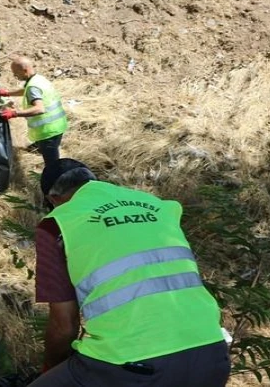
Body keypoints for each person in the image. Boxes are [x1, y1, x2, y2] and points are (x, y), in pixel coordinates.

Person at [29, 158, 231, 387]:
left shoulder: (57, 223)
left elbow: (64, 326)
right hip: (212, 355)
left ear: (53, 199)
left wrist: (48, 370)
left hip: (133, 367)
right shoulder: (157, 205)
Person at [0, 56, 67, 168]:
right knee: (44, 148)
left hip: (48, 131)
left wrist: (14, 113)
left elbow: (39, 109)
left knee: (52, 165)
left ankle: (54, 181)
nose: (15, 76)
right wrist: (8, 93)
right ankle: (37, 147)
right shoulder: (38, 79)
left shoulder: (32, 87)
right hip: (58, 124)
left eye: (16, 73)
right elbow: (26, 91)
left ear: (24, 71)